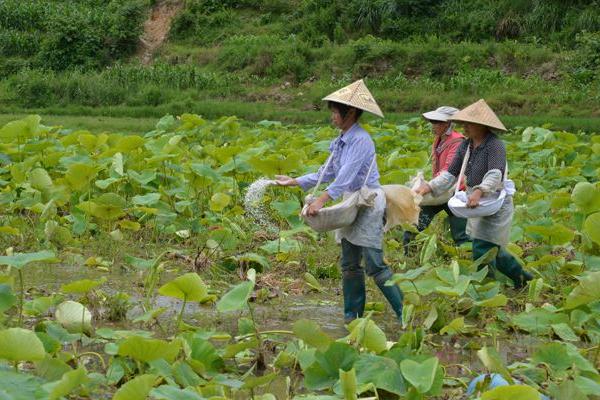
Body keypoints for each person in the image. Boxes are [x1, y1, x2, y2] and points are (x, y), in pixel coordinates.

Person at [275, 79, 403, 323]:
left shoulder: (361, 140)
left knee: (374, 264)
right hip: (350, 203)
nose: (332, 116)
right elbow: (328, 171)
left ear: (351, 113)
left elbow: (346, 176)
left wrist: (321, 200)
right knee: (349, 264)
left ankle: (403, 312)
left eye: (336, 111)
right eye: (332, 111)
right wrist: (293, 181)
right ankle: (352, 318)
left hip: (368, 202)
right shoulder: (341, 141)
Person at [415, 99, 533, 289]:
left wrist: (479, 191)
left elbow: (495, 173)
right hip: (475, 203)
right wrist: (429, 186)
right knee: (489, 247)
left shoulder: (494, 145)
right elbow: (451, 173)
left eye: (468, 124)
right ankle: (516, 280)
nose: (464, 127)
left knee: (483, 248)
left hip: (493, 202)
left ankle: (489, 284)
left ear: (481, 125)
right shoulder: (466, 146)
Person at [403, 106, 470, 254]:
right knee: (415, 225)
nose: (433, 125)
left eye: (437, 122)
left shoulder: (457, 143)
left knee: (461, 236)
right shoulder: (439, 140)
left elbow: (449, 172)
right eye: (433, 121)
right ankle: (408, 257)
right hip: (438, 191)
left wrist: (428, 187)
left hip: (455, 192)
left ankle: (469, 263)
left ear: (448, 124)